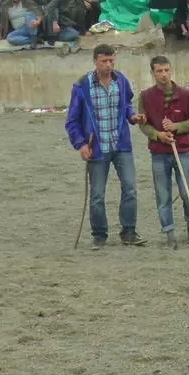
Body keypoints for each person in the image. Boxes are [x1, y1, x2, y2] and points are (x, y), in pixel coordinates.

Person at [65, 44, 148, 249]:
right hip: (97, 147)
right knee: (97, 195)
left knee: (130, 188)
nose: (108, 65)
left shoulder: (121, 81)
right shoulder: (82, 86)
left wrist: (133, 117)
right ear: (95, 61)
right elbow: (72, 121)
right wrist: (81, 144)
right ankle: (99, 235)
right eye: (104, 61)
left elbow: (126, 105)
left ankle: (128, 232)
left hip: (121, 144)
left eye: (111, 60)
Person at [138, 55, 189, 249]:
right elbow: (144, 125)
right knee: (163, 194)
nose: (164, 74)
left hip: (182, 150)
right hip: (158, 152)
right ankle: (169, 233)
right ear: (152, 73)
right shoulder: (145, 96)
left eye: (166, 70)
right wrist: (158, 135)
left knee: (187, 192)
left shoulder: (185, 94)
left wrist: (176, 127)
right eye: (159, 71)